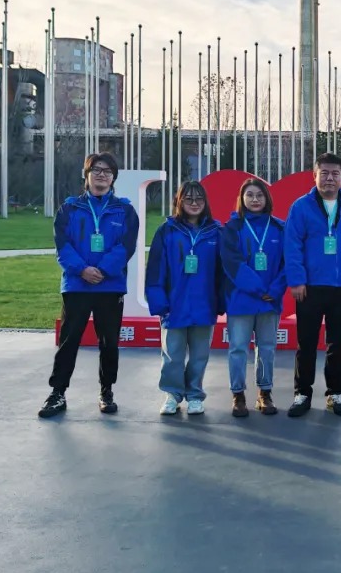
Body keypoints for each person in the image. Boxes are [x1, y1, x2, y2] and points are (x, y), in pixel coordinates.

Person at [39, 152, 139, 418]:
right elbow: (63, 245)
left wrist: (103, 270)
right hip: (77, 285)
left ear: (113, 178)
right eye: (96, 170)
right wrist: (82, 270)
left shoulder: (125, 211)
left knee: (109, 342)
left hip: (110, 286)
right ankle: (57, 393)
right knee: (69, 340)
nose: (101, 175)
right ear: (86, 175)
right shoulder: (69, 209)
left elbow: (126, 246)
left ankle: (107, 391)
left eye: (107, 171)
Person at [284, 152, 341, 418]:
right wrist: (297, 280)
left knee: (337, 344)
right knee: (306, 343)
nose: (330, 178)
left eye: (335, 173)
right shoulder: (301, 207)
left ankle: (335, 393)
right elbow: (292, 245)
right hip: (309, 287)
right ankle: (302, 393)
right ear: (315, 175)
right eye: (325, 173)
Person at [145, 181, 223, 416]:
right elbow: (155, 269)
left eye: (199, 198)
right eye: (188, 198)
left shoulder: (216, 232)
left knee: (200, 355)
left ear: (205, 202)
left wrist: (220, 301)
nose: (194, 203)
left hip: (204, 304)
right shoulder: (167, 231)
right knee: (172, 354)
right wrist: (159, 302)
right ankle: (172, 394)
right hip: (174, 304)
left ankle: (195, 395)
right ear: (178, 201)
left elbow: (223, 271)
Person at [221, 178, 287, 417]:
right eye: (249, 195)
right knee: (238, 348)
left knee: (267, 348)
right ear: (242, 198)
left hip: (270, 300)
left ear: (267, 198)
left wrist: (276, 289)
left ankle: (264, 393)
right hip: (241, 299)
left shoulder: (280, 228)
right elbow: (232, 263)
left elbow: (288, 262)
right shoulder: (232, 228)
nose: (255, 199)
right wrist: (260, 289)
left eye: (259, 195)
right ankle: (238, 395)